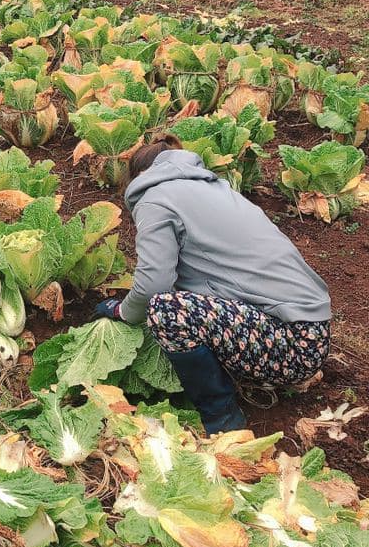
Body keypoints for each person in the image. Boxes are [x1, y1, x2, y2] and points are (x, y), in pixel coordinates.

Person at [95, 140, 331, 434]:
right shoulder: (212, 188)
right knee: (177, 300)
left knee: (167, 310)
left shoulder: (155, 197)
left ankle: (221, 417)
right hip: (311, 332)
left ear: (137, 175)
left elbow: (153, 285)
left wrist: (123, 310)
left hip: (292, 348)